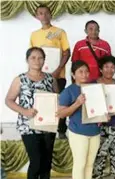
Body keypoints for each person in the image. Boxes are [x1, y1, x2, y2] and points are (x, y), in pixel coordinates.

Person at [5, 47, 59, 179]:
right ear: (27, 60)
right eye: (33, 58)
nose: (37, 60)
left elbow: (57, 99)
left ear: (44, 60)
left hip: (47, 126)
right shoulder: (20, 79)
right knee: (36, 162)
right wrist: (25, 111)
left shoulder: (51, 79)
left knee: (46, 164)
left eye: (40, 58)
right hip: (28, 127)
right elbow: (9, 100)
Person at [57, 60, 104, 179]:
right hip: (78, 133)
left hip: (95, 132)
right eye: (80, 72)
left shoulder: (94, 88)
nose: (84, 74)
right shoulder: (68, 91)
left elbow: (99, 108)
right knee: (80, 164)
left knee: (90, 165)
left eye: (86, 72)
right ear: (73, 75)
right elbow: (61, 114)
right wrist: (77, 103)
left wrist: (104, 116)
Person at [30, 4, 70, 139]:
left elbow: (66, 52)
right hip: (40, 76)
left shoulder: (59, 32)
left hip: (58, 75)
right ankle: (43, 128)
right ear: (37, 16)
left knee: (60, 101)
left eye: (46, 13)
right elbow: (32, 56)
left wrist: (58, 70)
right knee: (42, 102)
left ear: (51, 15)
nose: (44, 15)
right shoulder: (34, 35)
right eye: (40, 13)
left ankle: (62, 129)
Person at [92, 56, 115, 179]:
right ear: (101, 68)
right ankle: (97, 175)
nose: (109, 70)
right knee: (99, 153)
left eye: (112, 67)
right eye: (106, 67)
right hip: (98, 125)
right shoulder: (93, 84)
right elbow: (90, 106)